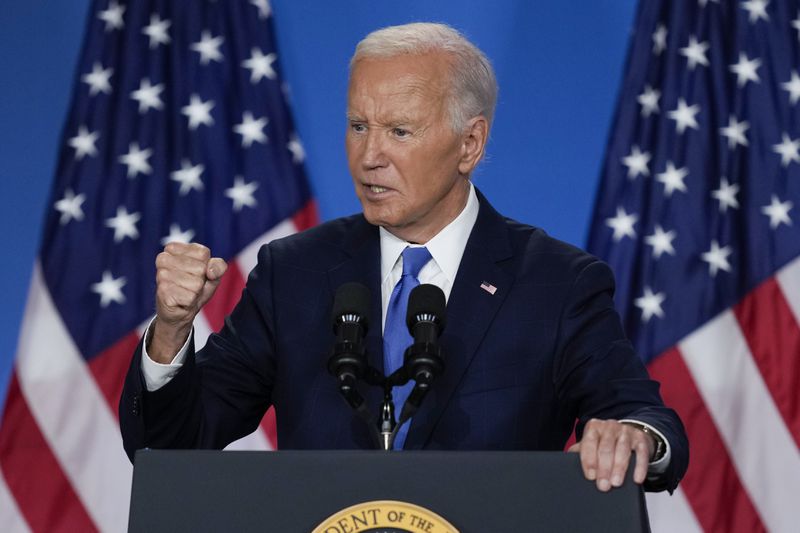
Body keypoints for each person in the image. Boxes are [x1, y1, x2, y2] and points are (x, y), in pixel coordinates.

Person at [120, 22, 688, 494]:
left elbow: (646, 418)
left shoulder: (556, 282)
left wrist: (631, 435)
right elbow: (173, 447)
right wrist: (171, 332)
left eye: (399, 131)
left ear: (470, 143)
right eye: (358, 126)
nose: (370, 156)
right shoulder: (293, 272)